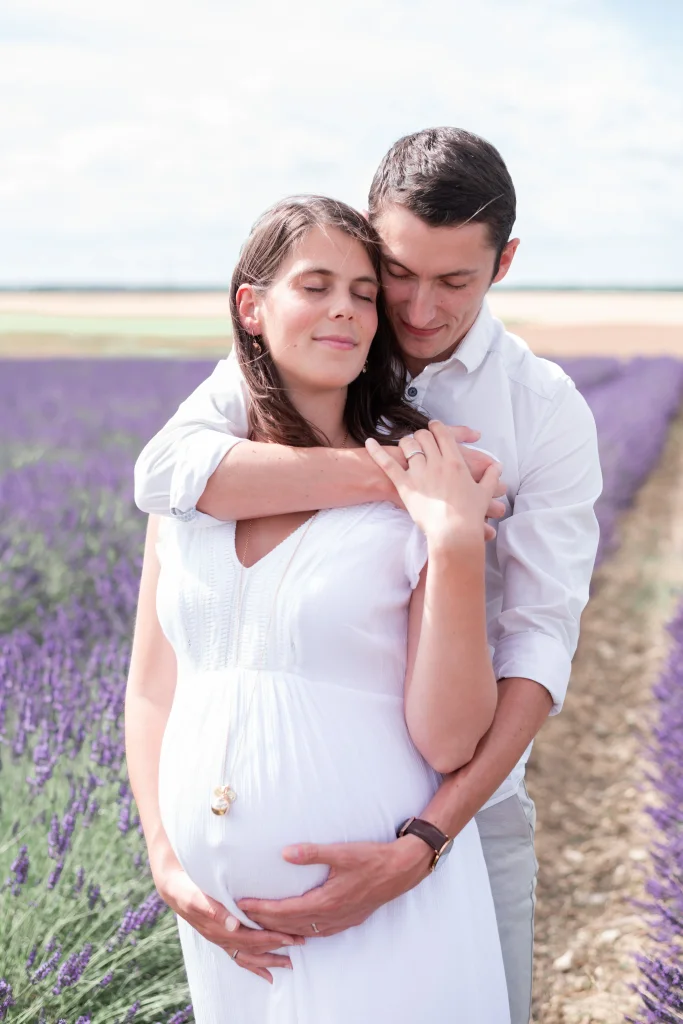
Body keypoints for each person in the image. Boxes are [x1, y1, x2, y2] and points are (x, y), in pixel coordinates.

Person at [134, 127, 603, 1024]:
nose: (418, 309)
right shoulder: (285, 359)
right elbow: (165, 478)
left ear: (503, 263)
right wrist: (403, 475)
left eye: (455, 282)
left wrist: (423, 842)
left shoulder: (542, 413)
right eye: (397, 272)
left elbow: (540, 644)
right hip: (237, 906)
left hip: (462, 813)